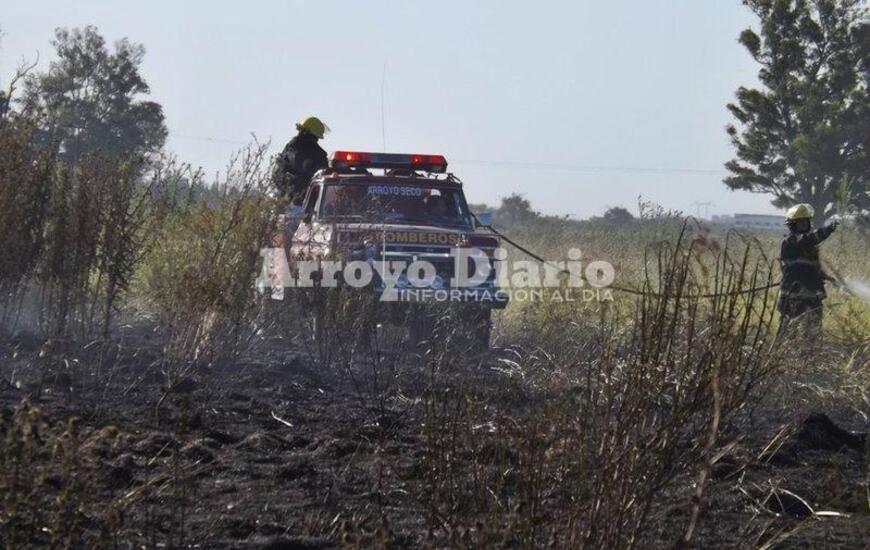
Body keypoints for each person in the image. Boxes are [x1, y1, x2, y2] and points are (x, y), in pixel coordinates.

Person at [778, 203, 839, 340]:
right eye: (800, 223)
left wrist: (829, 278)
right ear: (792, 225)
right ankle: (782, 359)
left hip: (812, 296)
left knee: (813, 334)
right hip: (792, 297)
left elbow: (812, 268)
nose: (803, 226)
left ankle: (809, 357)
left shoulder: (809, 246)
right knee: (787, 334)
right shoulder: (790, 241)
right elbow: (810, 239)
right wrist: (828, 229)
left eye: (805, 223)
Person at [273, 116, 329, 204]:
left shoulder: (318, 152)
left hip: (313, 199)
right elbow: (299, 162)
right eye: (315, 137)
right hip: (292, 200)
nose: (316, 140)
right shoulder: (293, 147)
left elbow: (325, 171)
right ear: (308, 134)